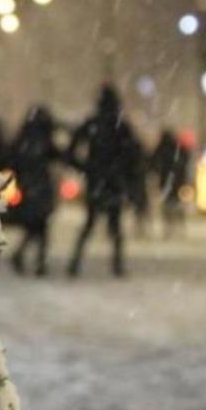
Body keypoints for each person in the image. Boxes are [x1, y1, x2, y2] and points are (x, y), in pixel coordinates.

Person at [67, 84, 138, 277]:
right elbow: (133, 155)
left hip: (96, 179)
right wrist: (127, 176)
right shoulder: (120, 126)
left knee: (90, 224)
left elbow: (71, 150)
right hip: (113, 180)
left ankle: (75, 263)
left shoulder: (93, 124)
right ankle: (117, 265)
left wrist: (84, 167)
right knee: (114, 226)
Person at [6, 106, 62, 276]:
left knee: (35, 225)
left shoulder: (23, 138)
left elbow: (12, 161)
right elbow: (56, 155)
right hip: (40, 186)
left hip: (28, 186)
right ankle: (38, 261)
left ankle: (29, 258)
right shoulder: (43, 139)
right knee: (40, 226)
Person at [149, 129, 191, 238]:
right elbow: (185, 161)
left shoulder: (162, 148)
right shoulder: (178, 148)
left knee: (167, 203)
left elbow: (153, 163)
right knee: (177, 203)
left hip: (166, 180)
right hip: (178, 180)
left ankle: (168, 226)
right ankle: (180, 225)